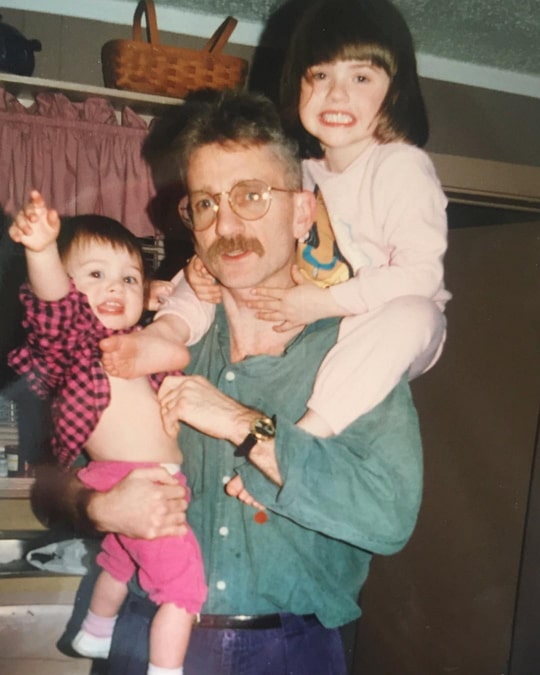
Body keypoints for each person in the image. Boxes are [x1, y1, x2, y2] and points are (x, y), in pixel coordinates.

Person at [31, 88, 424, 675]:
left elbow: (389, 518)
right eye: (207, 203)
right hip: (144, 634)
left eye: (251, 195)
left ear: (302, 210)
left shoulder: (360, 352)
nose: (227, 222)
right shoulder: (143, 342)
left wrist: (246, 426)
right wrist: (97, 506)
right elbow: (49, 480)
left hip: (289, 651)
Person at [102, 0, 450, 442]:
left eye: (360, 77)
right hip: (323, 318)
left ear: (394, 92)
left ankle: (306, 434)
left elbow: (421, 276)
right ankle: (168, 331)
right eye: (320, 76)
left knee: (411, 315)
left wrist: (324, 303)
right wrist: (196, 274)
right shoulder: (305, 171)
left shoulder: (399, 167)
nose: (336, 94)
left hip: (393, 320)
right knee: (218, 250)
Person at [7, 197, 207, 675]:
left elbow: (173, 322)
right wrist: (43, 250)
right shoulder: (75, 345)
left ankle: (95, 631)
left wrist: (167, 290)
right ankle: (166, 670)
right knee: (183, 591)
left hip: (126, 481)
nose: (114, 286)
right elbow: (54, 303)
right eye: (94, 274)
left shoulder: (135, 345)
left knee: (119, 560)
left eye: (128, 278)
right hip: (139, 481)